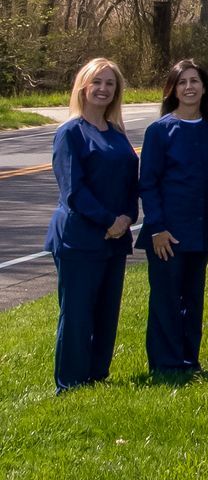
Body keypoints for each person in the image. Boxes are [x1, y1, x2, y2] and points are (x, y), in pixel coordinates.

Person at [45, 58, 138, 391]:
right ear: (83, 86)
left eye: (110, 83)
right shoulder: (70, 133)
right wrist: (109, 220)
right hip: (79, 238)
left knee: (106, 312)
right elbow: (74, 191)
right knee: (77, 313)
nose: (103, 89)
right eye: (96, 82)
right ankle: (70, 383)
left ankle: (97, 376)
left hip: (115, 238)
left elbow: (131, 183)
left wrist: (128, 217)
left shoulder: (116, 134)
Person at [138, 59, 208, 374]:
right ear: (173, 89)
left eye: (194, 81)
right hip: (166, 234)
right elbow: (147, 183)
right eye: (182, 82)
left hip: (201, 230)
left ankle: (190, 360)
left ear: (205, 87)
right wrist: (157, 228)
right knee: (166, 301)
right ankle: (166, 364)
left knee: (193, 300)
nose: (189, 87)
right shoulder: (159, 131)